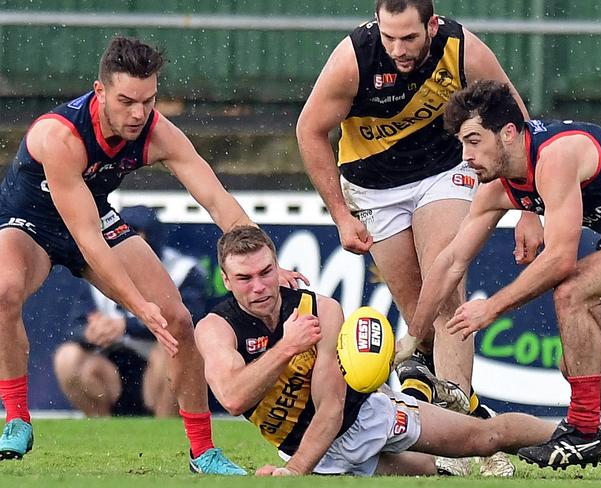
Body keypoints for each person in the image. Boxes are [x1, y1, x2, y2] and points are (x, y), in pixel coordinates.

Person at [0, 37, 305, 474]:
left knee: (178, 321)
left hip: (93, 217)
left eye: (148, 101)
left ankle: (203, 452)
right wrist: (136, 305)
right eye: (126, 101)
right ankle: (15, 418)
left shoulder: (155, 130)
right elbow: (88, 241)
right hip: (29, 221)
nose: (138, 114)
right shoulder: (59, 136)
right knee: (4, 291)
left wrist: (265, 264)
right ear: (100, 91)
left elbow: (216, 199)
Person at [194, 225, 601, 477]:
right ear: (227, 280)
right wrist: (287, 348)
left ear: (278, 266)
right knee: (438, 476)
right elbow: (233, 397)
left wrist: (294, 475)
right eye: (245, 278)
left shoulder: (319, 309)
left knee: (485, 438)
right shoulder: (216, 328)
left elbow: (330, 409)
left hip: (367, 418)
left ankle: (596, 436)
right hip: (307, 449)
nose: (259, 287)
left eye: (266, 272)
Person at [296, 0, 542, 444]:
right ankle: (455, 414)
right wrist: (339, 216)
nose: (398, 49)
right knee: (419, 324)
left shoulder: (462, 48)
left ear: (432, 24)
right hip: (373, 187)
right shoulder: (354, 58)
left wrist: (529, 205)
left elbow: (514, 117)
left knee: (446, 293)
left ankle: (466, 444)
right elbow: (309, 130)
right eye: (389, 37)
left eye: (409, 37)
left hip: (444, 171)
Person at [407, 79, 601, 479]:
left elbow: (559, 261)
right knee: (579, 367)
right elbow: (450, 260)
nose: (465, 156)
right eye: (461, 144)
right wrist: (414, 337)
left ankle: (584, 429)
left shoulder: (554, 157)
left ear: (507, 132)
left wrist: (491, 308)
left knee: (570, 288)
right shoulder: (497, 184)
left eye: (473, 141)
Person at [53, 205, 209, 417]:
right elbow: (75, 326)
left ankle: (165, 430)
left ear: (151, 238)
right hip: (112, 366)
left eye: (131, 234)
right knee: (67, 356)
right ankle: (102, 429)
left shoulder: (182, 270)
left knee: (175, 348)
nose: (121, 241)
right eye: (116, 233)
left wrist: (127, 326)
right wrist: (91, 332)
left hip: (158, 363)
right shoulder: (98, 267)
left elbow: (190, 322)